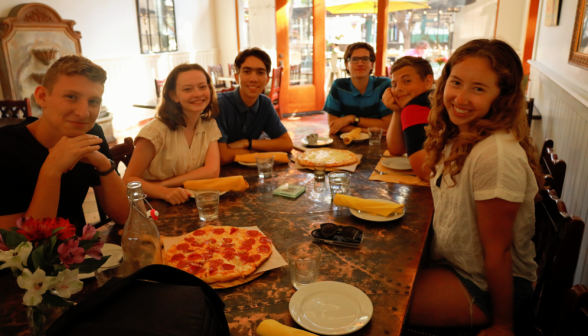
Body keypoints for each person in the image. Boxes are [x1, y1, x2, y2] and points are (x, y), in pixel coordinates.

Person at [407, 39, 543, 336]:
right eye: (456, 82)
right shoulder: (461, 136)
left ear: (503, 97)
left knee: (380, 301)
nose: (460, 97)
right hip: (457, 266)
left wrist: (503, 325)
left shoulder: (495, 155)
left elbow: (499, 250)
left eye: (478, 88)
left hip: (485, 287)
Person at [0, 55, 129, 232]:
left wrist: (103, 163)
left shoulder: (91, 134)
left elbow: (124, 216)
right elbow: (16, 247)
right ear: (42, 97)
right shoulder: (5, 149)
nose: (83, 113)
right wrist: (52, 170)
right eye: (71, 97)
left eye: (93, 101)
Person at [123, 64, 221, 205]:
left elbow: (212, 171)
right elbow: (128, 180)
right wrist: (163, 191)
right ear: (173, 95)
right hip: (152, 204)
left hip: (187, 201)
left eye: (202, 87)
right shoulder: (156, 131)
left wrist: (165, 184)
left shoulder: (209, 124)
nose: (198, 93)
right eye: (187, 89)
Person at [216, 48, 293, 165]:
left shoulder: (265, 104)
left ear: (267, 79)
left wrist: (248, 143)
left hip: (251, 171)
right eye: (247, 72)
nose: (253, 79)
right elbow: (222, 156)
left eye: (260, 72)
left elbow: (287, 144)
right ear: (237, 77)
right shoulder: (220, 105)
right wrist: (254, 152)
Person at [382, 56, 434, 181]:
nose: (398, 88)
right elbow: (396, 150)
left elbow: (425, 171)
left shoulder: (414, 108)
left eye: (407, 81)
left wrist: (406, 110)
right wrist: (398, 111)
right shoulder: (432, 99)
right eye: (394, 84)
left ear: (428, 81)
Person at [323, 42, 393, 135]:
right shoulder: (338, 86)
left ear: (371, 64)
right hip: (346, 142)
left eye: (365, 59)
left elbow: (387, 125)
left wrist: (351, 119)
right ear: (347, 65)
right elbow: (333, 126)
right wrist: (366, 131)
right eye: (354, 59)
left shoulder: (384, 85)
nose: (360, 63)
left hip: (377, 142)